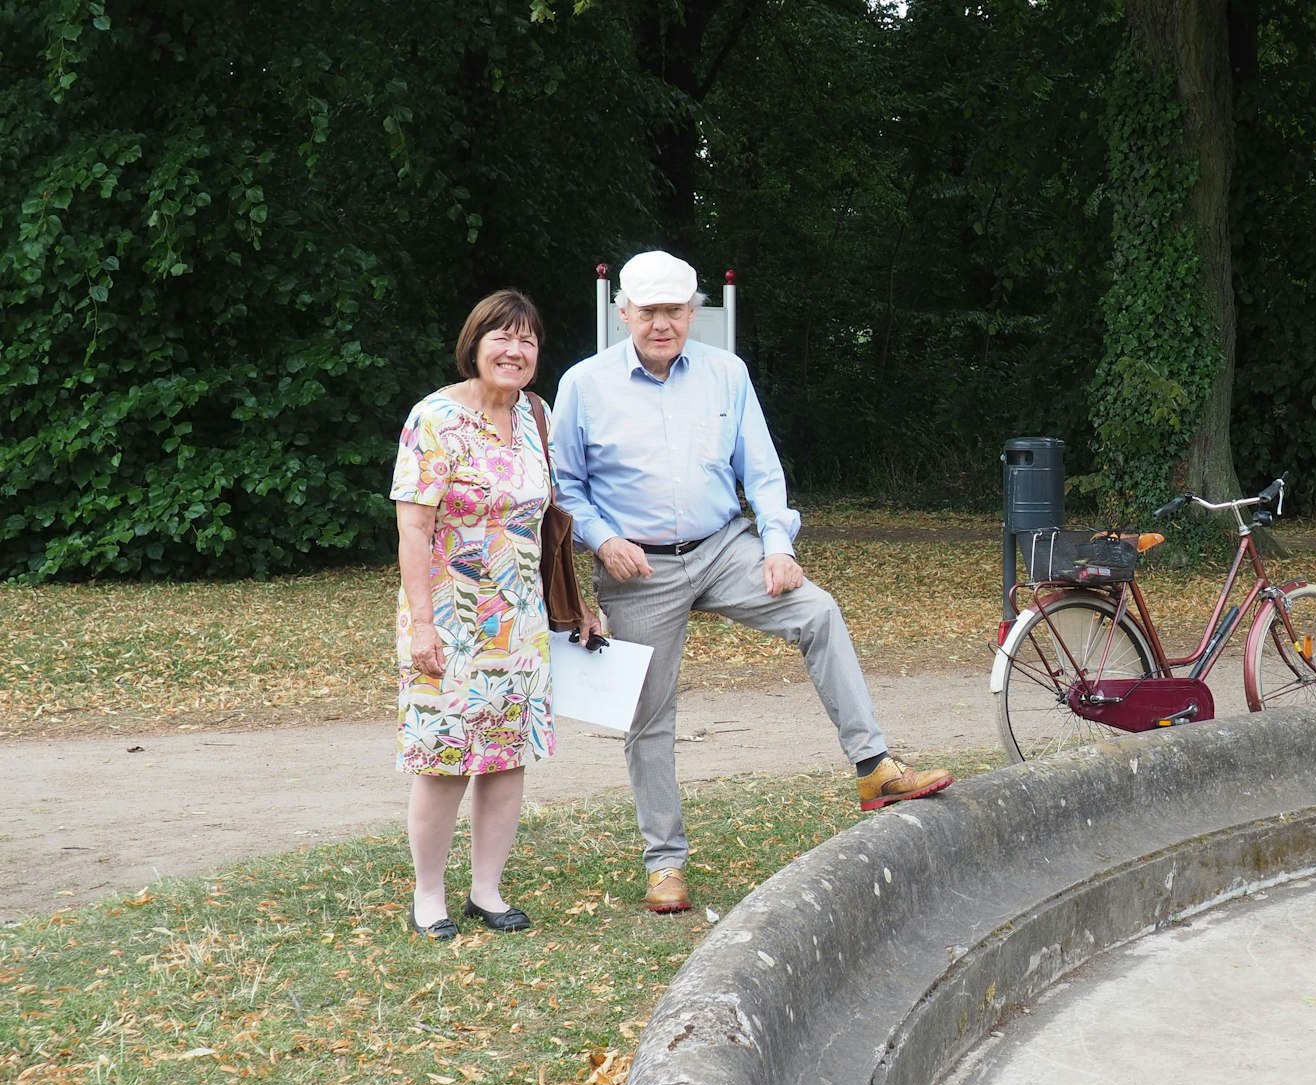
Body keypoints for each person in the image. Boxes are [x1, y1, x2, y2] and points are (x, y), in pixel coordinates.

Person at [550, 250, 953, 915]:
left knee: (817, 612)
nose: (661, 324)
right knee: (648, 715)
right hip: (638, 567)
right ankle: (665, 863)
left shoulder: (725, 372)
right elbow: (566, 486)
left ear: (693, 311)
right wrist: (604, 539)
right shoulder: (583, 385)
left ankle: (875, 767)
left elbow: (762, 470)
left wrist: (776, 543)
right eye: (647, 311)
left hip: (722, 546)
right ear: (623, 312)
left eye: (674, 311)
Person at [391, 289, 600, 941]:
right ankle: (430, 896)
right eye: (501, 337)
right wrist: (422, 626)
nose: (515, 350)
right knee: (446, 758)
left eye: (528, 340)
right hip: (449, 620)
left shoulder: (536, 415)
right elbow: (414, 529)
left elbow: (548, 526)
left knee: (507, 758)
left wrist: (578, 603)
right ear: (474, 344)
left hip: (521, 622)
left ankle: (487, 889)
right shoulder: (434, 419)